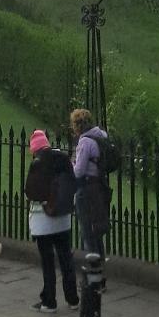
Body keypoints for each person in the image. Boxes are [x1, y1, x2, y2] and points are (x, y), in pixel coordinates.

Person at [24, 129, 78, 313]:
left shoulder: (38, 163)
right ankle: (73, 299)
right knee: (66, 258)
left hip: (43, 220)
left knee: (48, 262)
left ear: (35, 149)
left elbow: (31, 192)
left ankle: (49, 301)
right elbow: (73, 183)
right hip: (63, 218)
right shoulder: (63, 159)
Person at [70, 108, 110, 261]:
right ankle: (100, 266)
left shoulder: (85, 142)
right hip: (99, 186)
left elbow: (79, 171)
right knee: (96, 229)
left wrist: (70, 165)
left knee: (87, 231)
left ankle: (93, 270)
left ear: (77, 125)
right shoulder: (101, 136)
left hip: (86, 188)